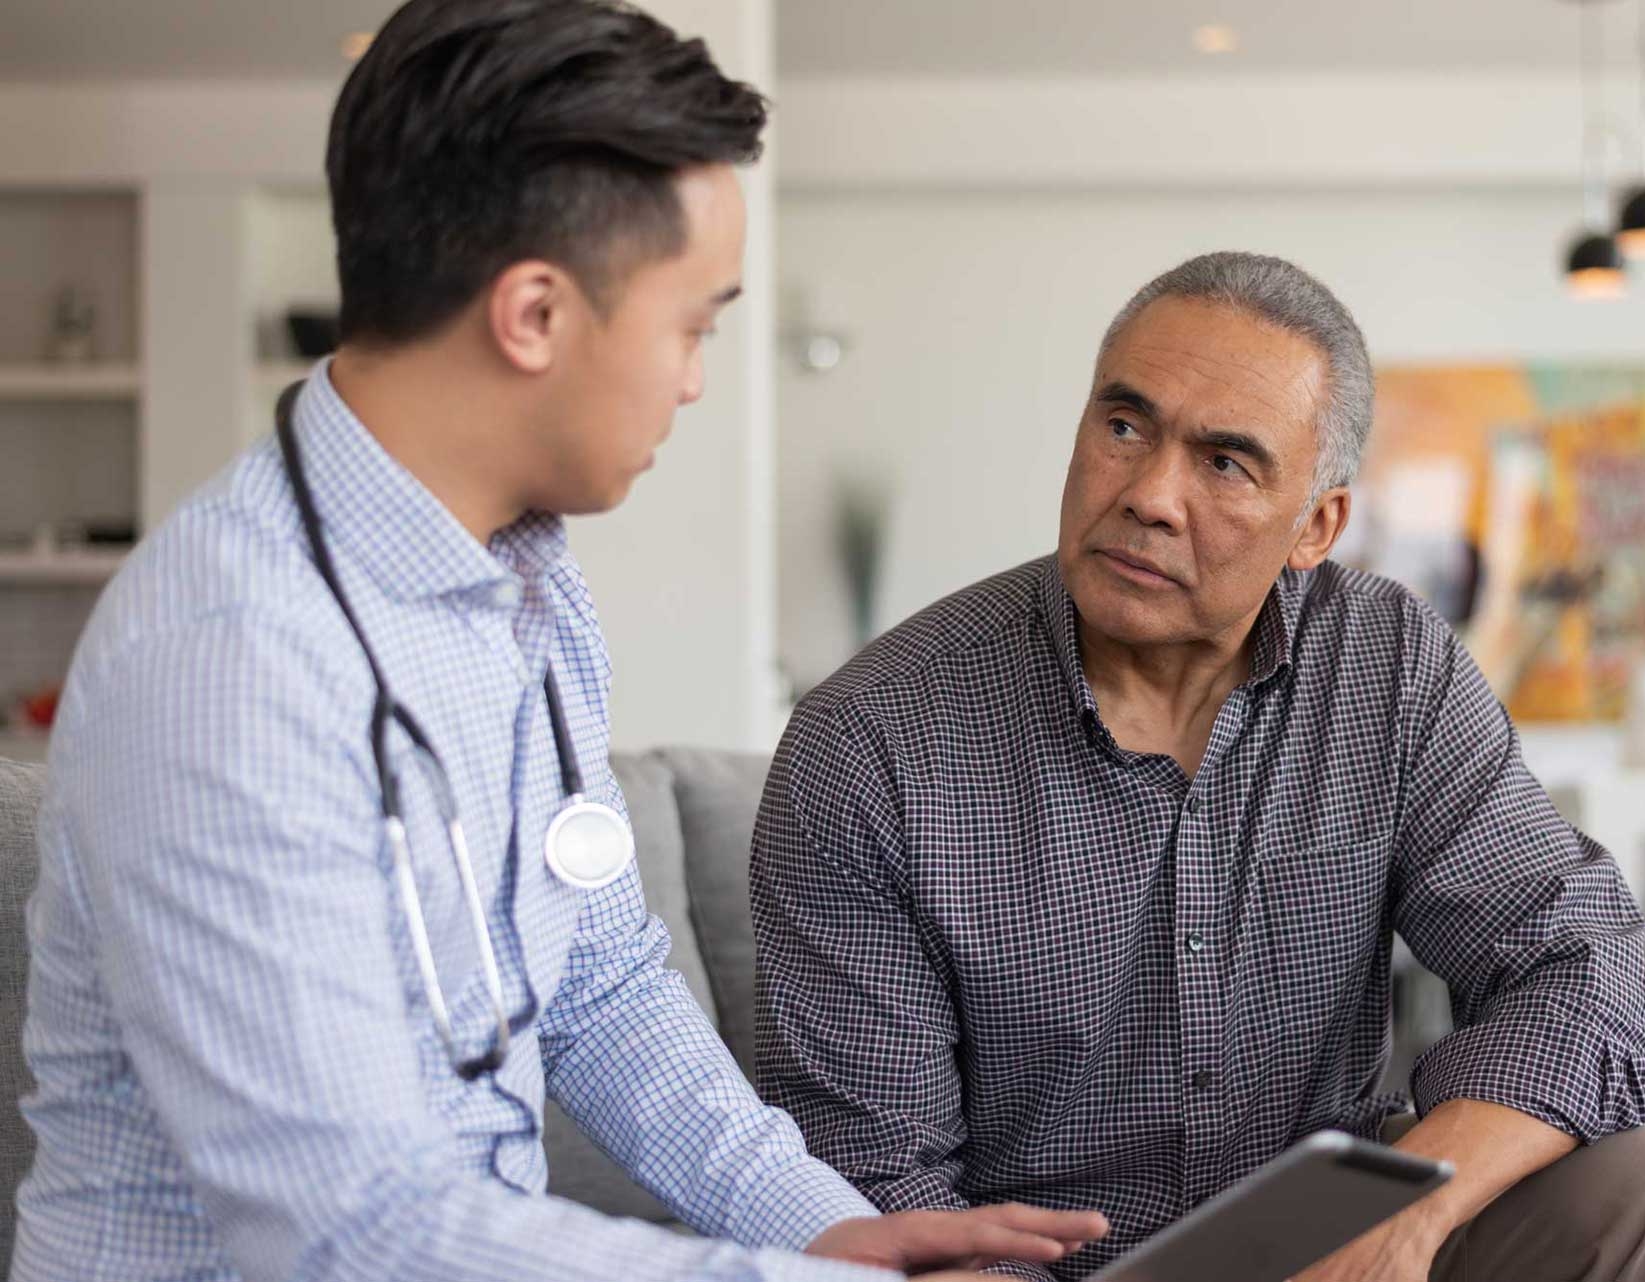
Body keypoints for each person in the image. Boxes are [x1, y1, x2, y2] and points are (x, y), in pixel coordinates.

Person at [10, 4, 1105, 1281]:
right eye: (691, 324)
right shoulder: (226, 659)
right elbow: (352, 1227)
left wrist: (822, 1224)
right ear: (533, 315)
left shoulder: (525, 580)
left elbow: (599, 979)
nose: (697, 380)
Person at [751, 252, 1645, 1281]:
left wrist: (1412, 1213)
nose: (1150, 496)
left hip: (1334, 1247)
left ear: (1316, 525)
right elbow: (873, 1177)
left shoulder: (1386, 665)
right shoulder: (870, 741)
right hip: (1047, 1270)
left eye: (1225, 463)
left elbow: (1579, 965)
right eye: (1125, 425)